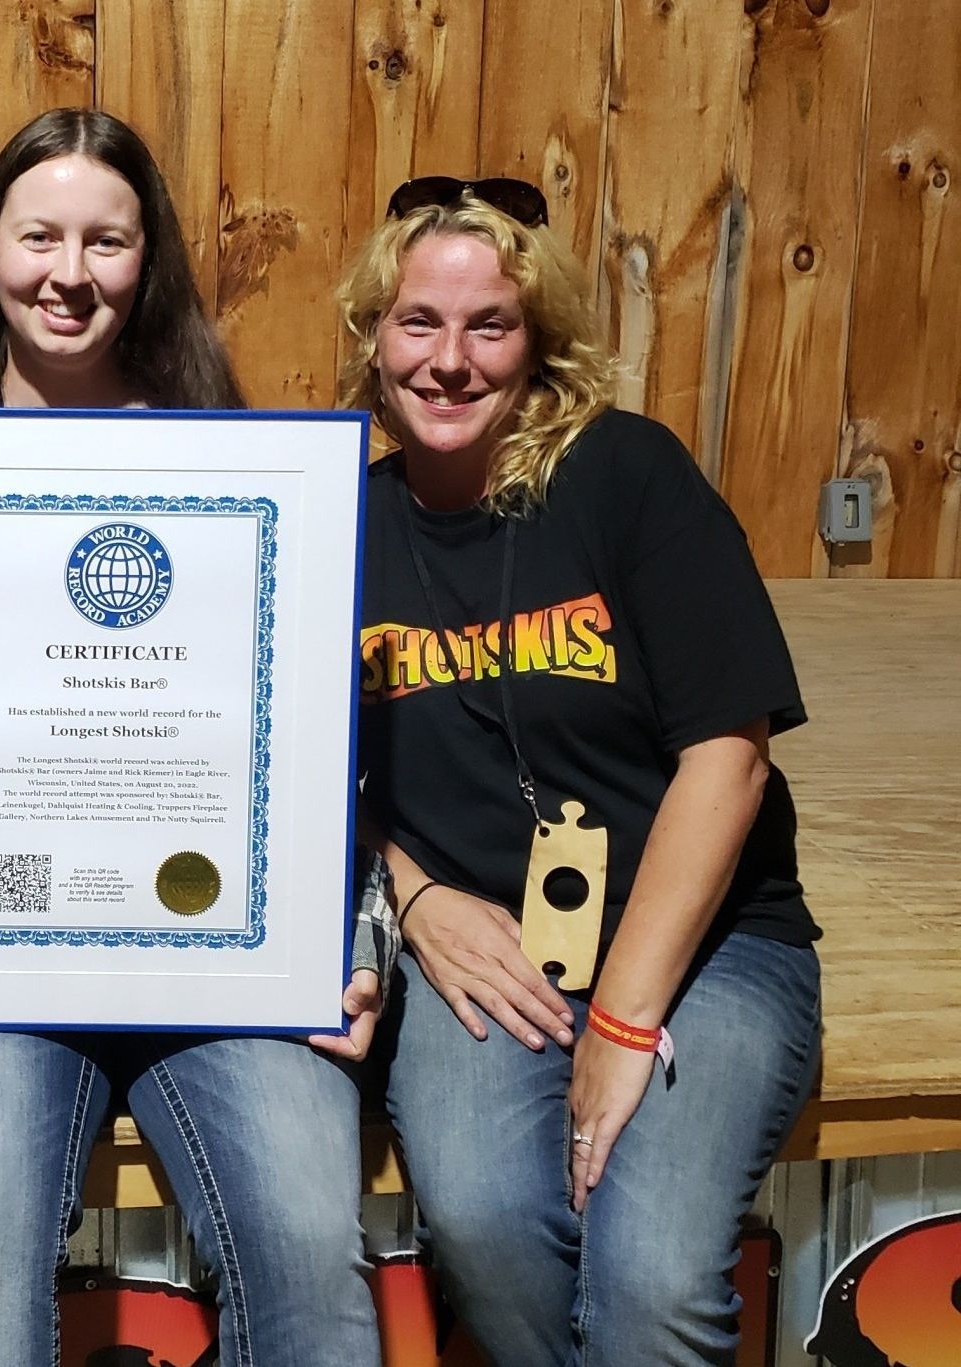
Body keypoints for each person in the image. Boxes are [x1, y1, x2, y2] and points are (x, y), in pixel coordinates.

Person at [0, 107, 391, 1367]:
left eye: (105, 241)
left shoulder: (251, 475)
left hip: (223, 956)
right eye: (38, 236)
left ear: (150, 263)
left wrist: (343, 941)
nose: (67, 274)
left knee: (310, 1238)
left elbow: (326, 757)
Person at [342, 176, 822, 1366]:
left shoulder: (624, 474)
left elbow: (728, 757)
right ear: (372, 337)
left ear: (537, 342)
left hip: (703, 940)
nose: (449, 361)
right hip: (485, 949)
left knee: (651, 1279)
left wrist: (618, 1019)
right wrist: (413, 892)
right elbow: (293, 763)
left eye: (487, 326)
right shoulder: (338, 522)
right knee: (486, 1221)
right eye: (417, 323)